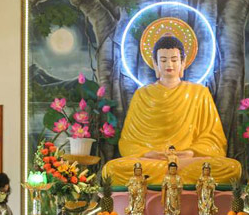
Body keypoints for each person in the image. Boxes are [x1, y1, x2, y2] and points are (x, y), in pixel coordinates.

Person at [101, 35, 240, 186]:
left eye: (174, 60)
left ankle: (171, 175)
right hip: (151, 162)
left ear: (183, 62)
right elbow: (128, 142)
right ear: (155, 63)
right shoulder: (142, 95)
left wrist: (191, 152)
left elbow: (215, 140)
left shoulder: (199, 93)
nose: (169, 64)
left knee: (233, 168)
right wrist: (148, 154)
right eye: (163, 60)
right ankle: (173, 176)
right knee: (111, 169)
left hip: (188, 161)